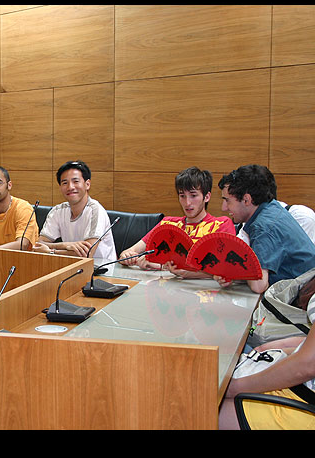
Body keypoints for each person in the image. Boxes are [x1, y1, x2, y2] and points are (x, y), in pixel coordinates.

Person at [119, 166, 235, 278]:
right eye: (182, 196)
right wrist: (127, 256)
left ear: (207, 197)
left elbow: (225, 268)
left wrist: (163, 267)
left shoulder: (221, 224)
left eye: (193, 195)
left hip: (204, 289)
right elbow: (129, 252)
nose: (187, 203)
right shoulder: (167, 224)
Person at [218, 298, 315, 429]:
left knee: (199, 404)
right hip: (296, 392)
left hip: (300, 408)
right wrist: (287, 346)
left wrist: (232, 388)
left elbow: (306, 366)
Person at [218, 164, 315, 294]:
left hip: (302, 298)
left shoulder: (263, 227)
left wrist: (235, 271)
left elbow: (258, 285)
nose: (224, 207)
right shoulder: (272, 208)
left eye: (227, 200)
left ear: (246, 200)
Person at [33, 160, 115, 260]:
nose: (70, 187)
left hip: (101, 267)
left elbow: (87, 254)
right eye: (65, 183)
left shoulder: (95, 210)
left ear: (87, 184)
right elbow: (39, 244)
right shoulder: (58, 211)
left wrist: (51, 251)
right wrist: (66, 245)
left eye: (75, 181)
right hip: (70, 265)